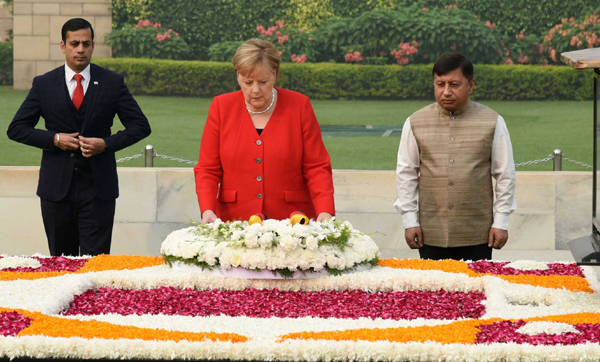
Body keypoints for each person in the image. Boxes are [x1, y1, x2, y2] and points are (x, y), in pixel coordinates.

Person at [7, 18, 151, 256]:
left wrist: (106, 144)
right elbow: (17, 128)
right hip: (55, 191)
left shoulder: (112, 83)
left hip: (98, 189)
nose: (80, 49)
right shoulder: (44, 84)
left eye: (86, 43)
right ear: (63, 46)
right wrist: (55, 139)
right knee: (61, 263)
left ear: (93, 45)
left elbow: (140, 126)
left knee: (95, 264)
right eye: (74, 43)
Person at [194, 38, 335, 223]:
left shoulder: (299, 106)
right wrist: (207, 210)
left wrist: (325, 211)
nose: (255, 90)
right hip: (235, 221)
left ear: (275, 75)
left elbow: (317, 166)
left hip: (292, 222)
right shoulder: (221, 107)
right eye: (247, 82)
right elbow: (207, 169)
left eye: (263, 82)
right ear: (237, 76)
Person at [395, 53, 516, 261]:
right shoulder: (415, 122)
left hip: (478, 233)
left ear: (471, 85)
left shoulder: (493, 121)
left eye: (454, 84)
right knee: (433, 292)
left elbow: (505, 175)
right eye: (440, 84)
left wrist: (501, 221)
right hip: (430, 233)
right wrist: (409, 220)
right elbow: (406, 173)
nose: (446, 92)